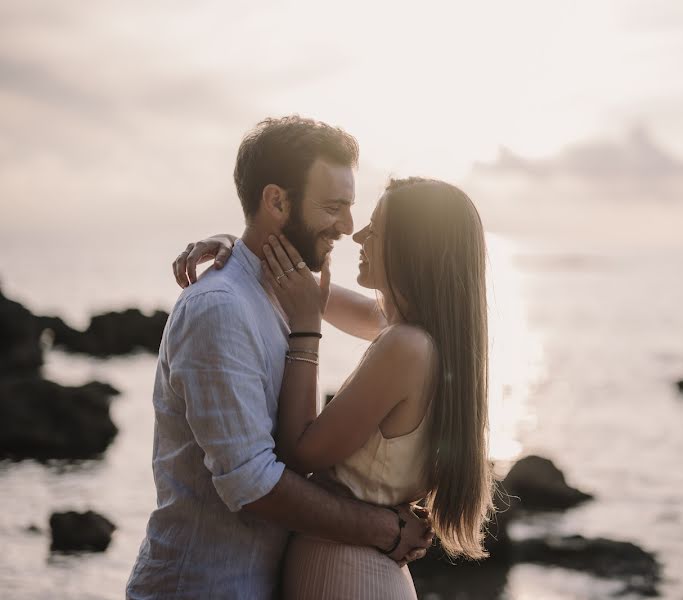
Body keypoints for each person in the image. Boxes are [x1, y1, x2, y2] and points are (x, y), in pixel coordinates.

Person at [127, 116, 433, 600]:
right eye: (334, 207)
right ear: (277, 201)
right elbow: (252, 483)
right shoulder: (220, 309)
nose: (349, 227)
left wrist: (239, 243)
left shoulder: (291, 294)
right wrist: (380, 528)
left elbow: (402, 318)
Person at [174, 176, 495, 598]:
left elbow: (300, 450)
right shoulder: (421, 337)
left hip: (348, 576)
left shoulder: (407, 347)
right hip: (353, 570)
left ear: (412, 249)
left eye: (376, 229)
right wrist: (241, 250)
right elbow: (308, 292)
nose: (358, 235)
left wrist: (306, 332)